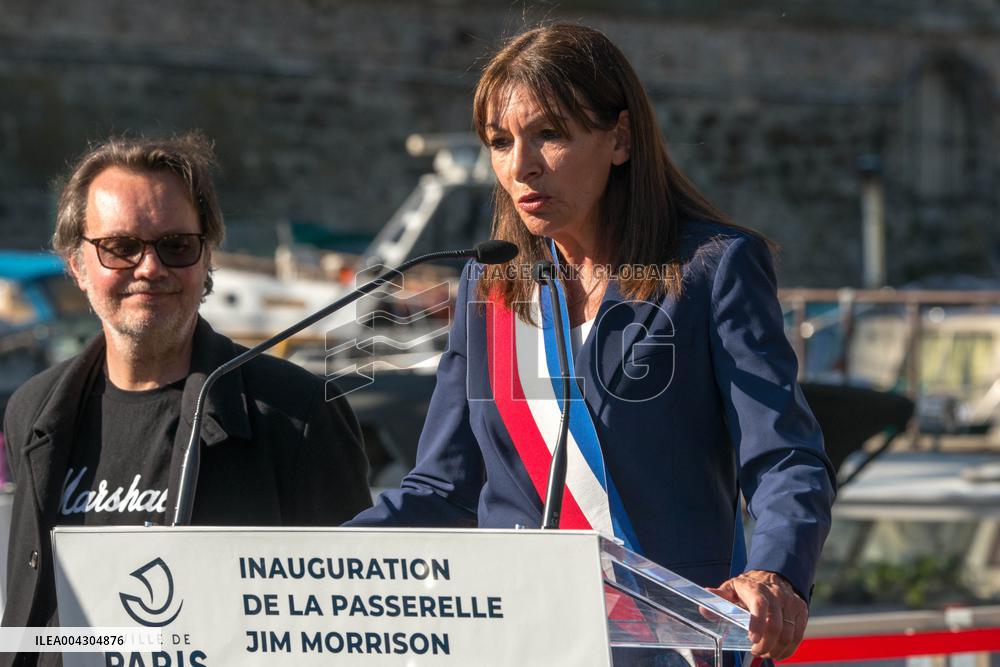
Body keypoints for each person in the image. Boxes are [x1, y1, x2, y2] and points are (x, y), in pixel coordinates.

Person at [349, 24, 836, 663]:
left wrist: (776, 573)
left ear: (621, 139)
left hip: (672, 649)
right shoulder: (489, 287)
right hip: (513, 642)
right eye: (500, 142)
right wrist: (321, 560)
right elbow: (442, 489)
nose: (519, 166)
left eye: (549, 134)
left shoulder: (712, 270)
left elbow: (785, 458)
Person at [1, 134, 372, 665]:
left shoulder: (298, 414)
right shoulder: (34, 411)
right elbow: (30, 618)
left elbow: (350, 628)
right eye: (120, 247)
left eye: (175, 246)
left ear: (206, 258)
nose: (150, 268)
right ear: (77, 265)